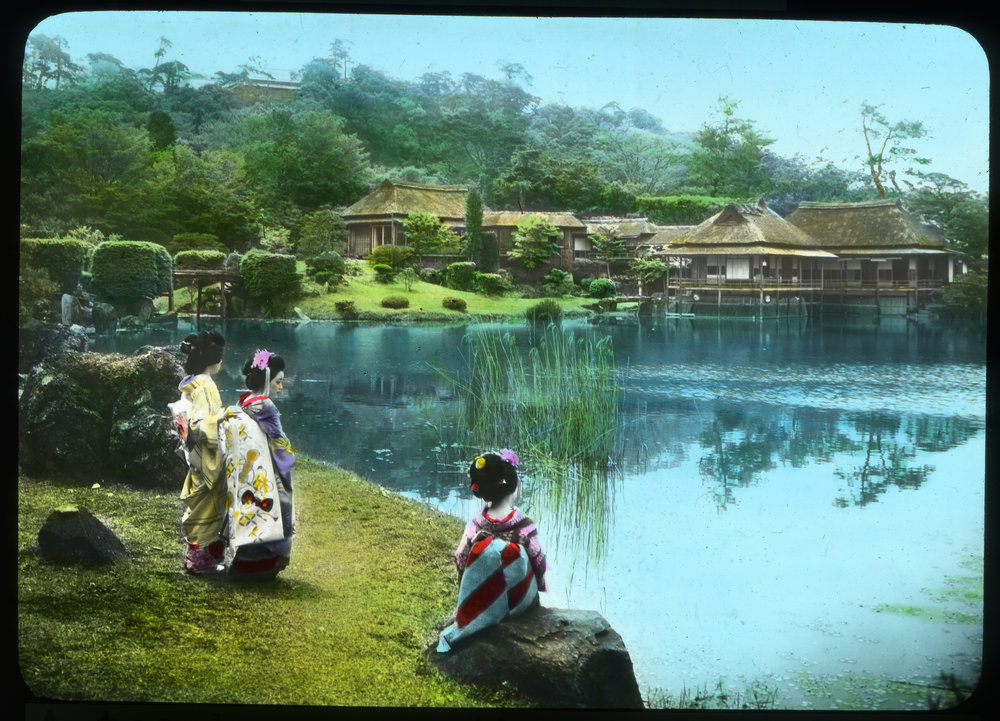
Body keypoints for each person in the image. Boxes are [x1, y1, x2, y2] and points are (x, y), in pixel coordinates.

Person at [436, 449, 548, 652]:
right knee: (517, 556)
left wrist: (466, 580)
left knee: (484, 551)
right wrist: (539, 584)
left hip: (485, 594)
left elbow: (460, 556)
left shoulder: (476, 524)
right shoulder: (524, 525)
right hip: (515, 600)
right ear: (512, 486)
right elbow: (538, 560)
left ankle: (480, 611)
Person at [226, 349, 296, 580]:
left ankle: (246, 561)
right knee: (279, 505)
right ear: (268, 380)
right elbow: (277, 440)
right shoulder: (265, 405)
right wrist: (289, 458)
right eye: (278, 382)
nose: (280, 387)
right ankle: (263, 564)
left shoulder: (244, 400)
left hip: (248, 466)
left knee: (251, 508)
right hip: (266, 466)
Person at [176, 331, 227, 574]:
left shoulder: (190, 383)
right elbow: (208, 422)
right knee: (208, 503)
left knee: (198, 501)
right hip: (208, 450)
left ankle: (197, 554)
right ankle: (198, 559)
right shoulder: (206, 385)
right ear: (213, 359)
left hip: (194, 450)